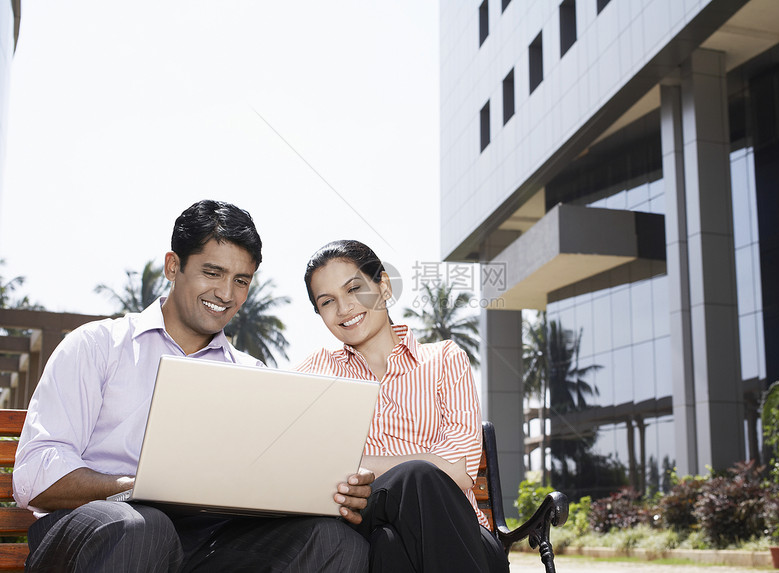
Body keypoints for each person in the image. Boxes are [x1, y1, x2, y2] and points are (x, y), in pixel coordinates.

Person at [13, 201, 370, 573]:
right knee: (145, 525)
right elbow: (35, 474)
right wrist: (134, 486)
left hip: (203, 542)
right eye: (212, 272)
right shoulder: (97, 345)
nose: (226, 294)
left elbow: (266, 481)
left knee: (335, 542)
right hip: (97, 533)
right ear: (173, 266)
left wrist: (331, 490)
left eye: (241, 280)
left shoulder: (252, 375)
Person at [296, 239, 509, 573]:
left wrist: (359, 463)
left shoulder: (444, 359)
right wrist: (425, 463)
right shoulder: (318, 370)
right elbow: (295, 457)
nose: (345, 308)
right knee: (414, 483)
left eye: (354, 288)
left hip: (459, 532)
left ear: (383, 286)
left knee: (392, 539)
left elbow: (459, 471)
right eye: (327, 302)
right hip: (363, 524)